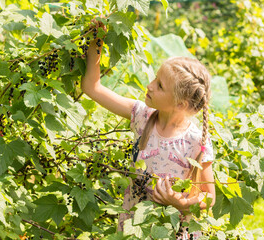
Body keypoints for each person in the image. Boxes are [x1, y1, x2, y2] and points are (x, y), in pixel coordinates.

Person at [81, 22, 215, 239]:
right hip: (135, 225)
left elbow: (209, 198)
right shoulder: (141, 115)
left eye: (160, 85)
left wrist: (179, 202)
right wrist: (96, 40)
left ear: (180, 104)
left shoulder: (196, 141)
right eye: (155, 78)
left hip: (171, 231)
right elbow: (92, 87)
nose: (150, 85)